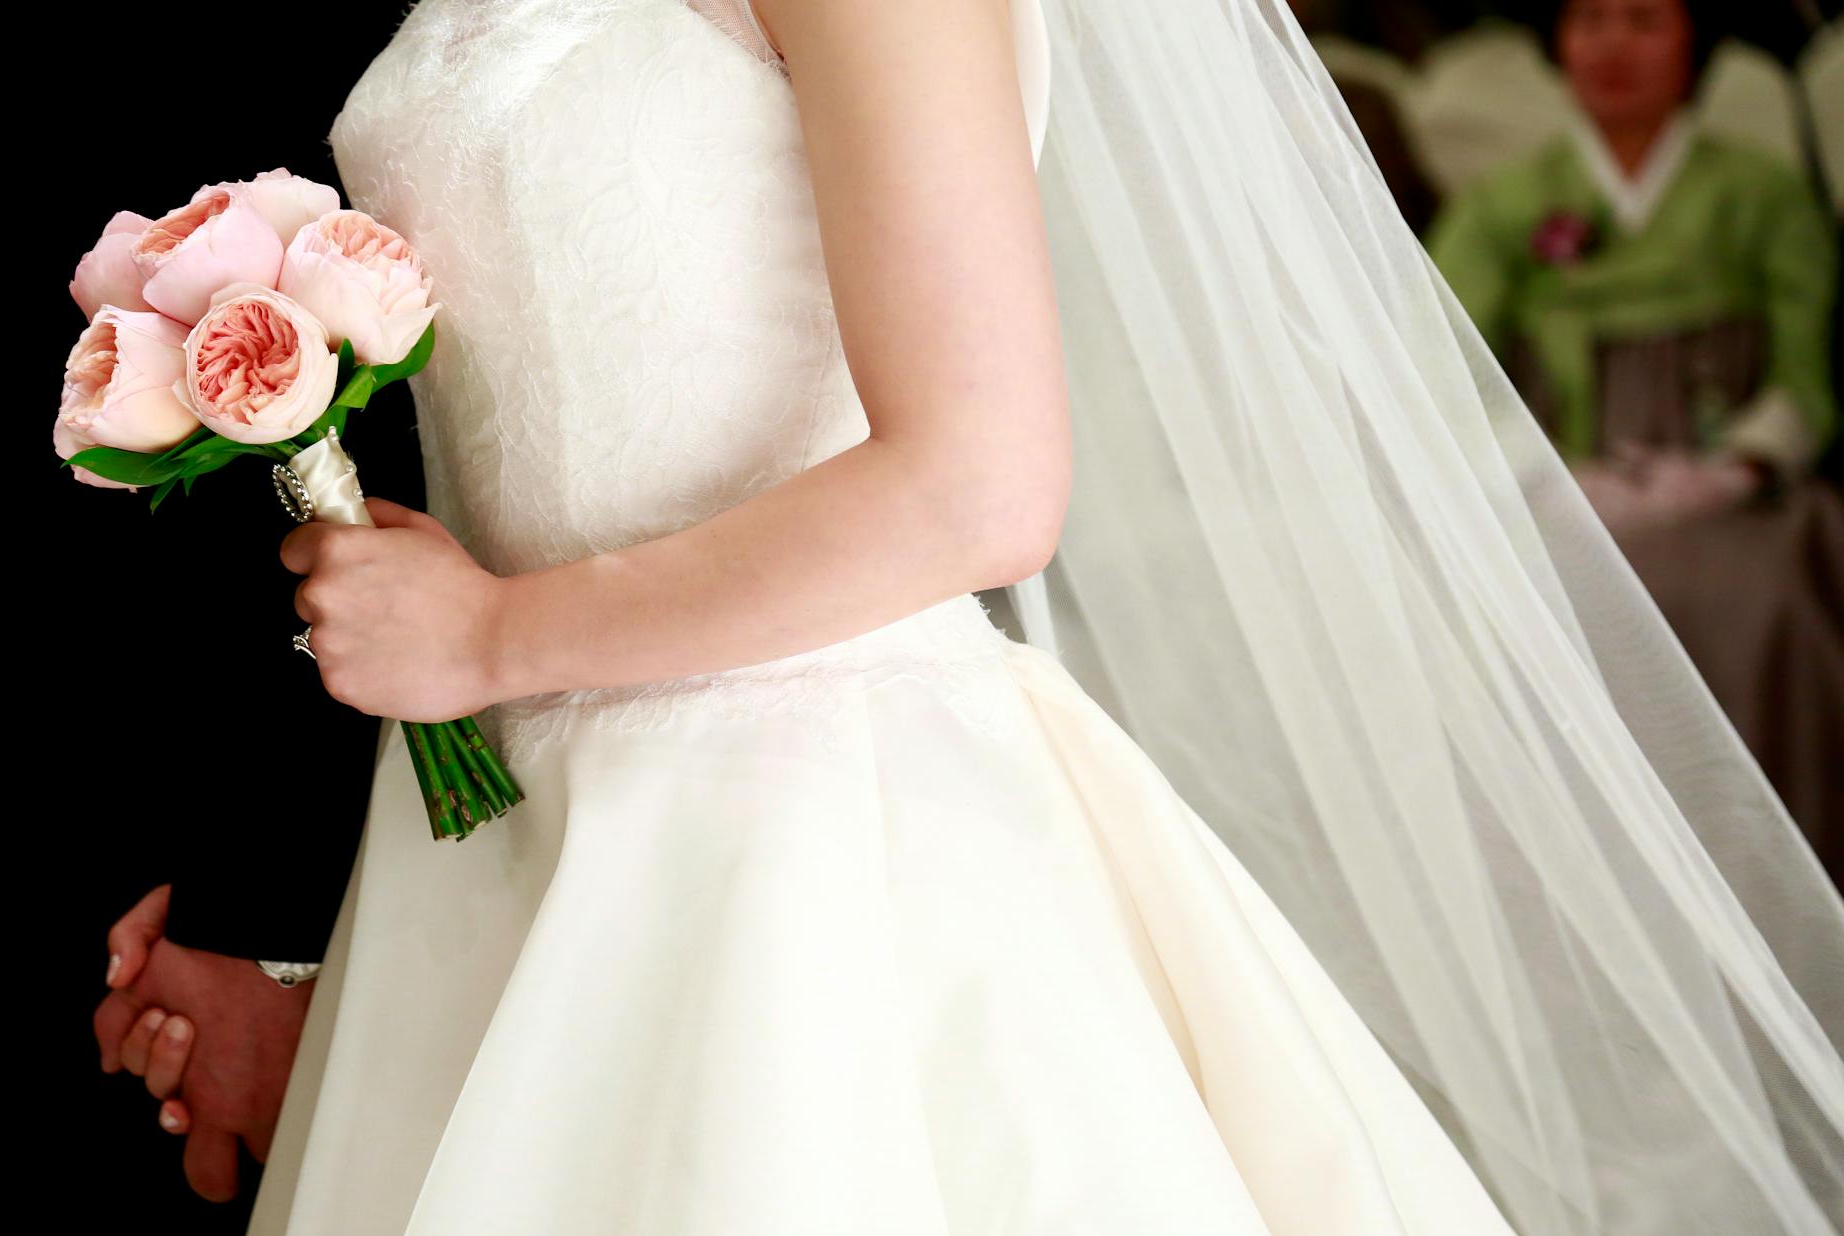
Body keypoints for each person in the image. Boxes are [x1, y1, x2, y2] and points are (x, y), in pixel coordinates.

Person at [96, 1, 1844, 1233]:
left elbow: (981, 480)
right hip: (504, 857)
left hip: (827, 849)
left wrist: (486, 637)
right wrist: (366, 1008)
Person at [1424, 0, 1844, 875]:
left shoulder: (1762, 194)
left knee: (1762, 599)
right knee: (1510, 599)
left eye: (1645, 20)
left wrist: (1736, 469)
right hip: (1558, 484)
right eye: (1590, 20)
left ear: (1697, 42)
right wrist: (1541, 473)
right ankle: (1572, 876)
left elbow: (1810, 371)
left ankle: (1761, 866)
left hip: (1730, 493)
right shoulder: (1507, 204)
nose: (1614, 46)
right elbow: (1434, 359)